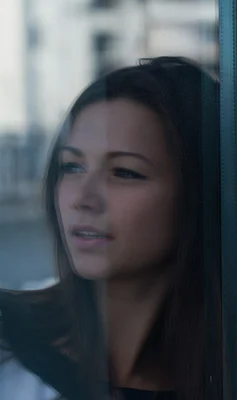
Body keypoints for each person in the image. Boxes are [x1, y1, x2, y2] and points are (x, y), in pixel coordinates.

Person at [0, 57, 221, 400]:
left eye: (124, 172)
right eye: (72, 166)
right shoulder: (9, 346)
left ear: (200, 193)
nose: (83, 199)